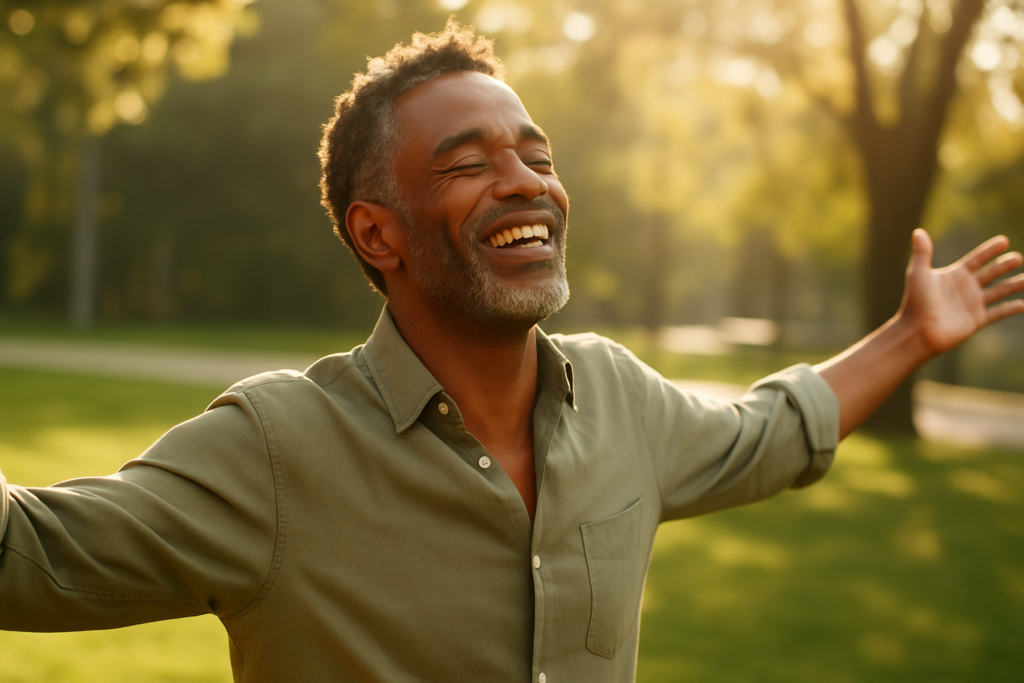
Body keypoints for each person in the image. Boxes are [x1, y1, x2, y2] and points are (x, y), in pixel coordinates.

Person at [2, 21, 1023, 683]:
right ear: (377, 234)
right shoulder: (276, 447)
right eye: (469, 162)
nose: (526, 181)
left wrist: (906, 337)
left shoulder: (619, 400)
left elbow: (768, 430)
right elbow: (29, 556)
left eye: (535, 153)